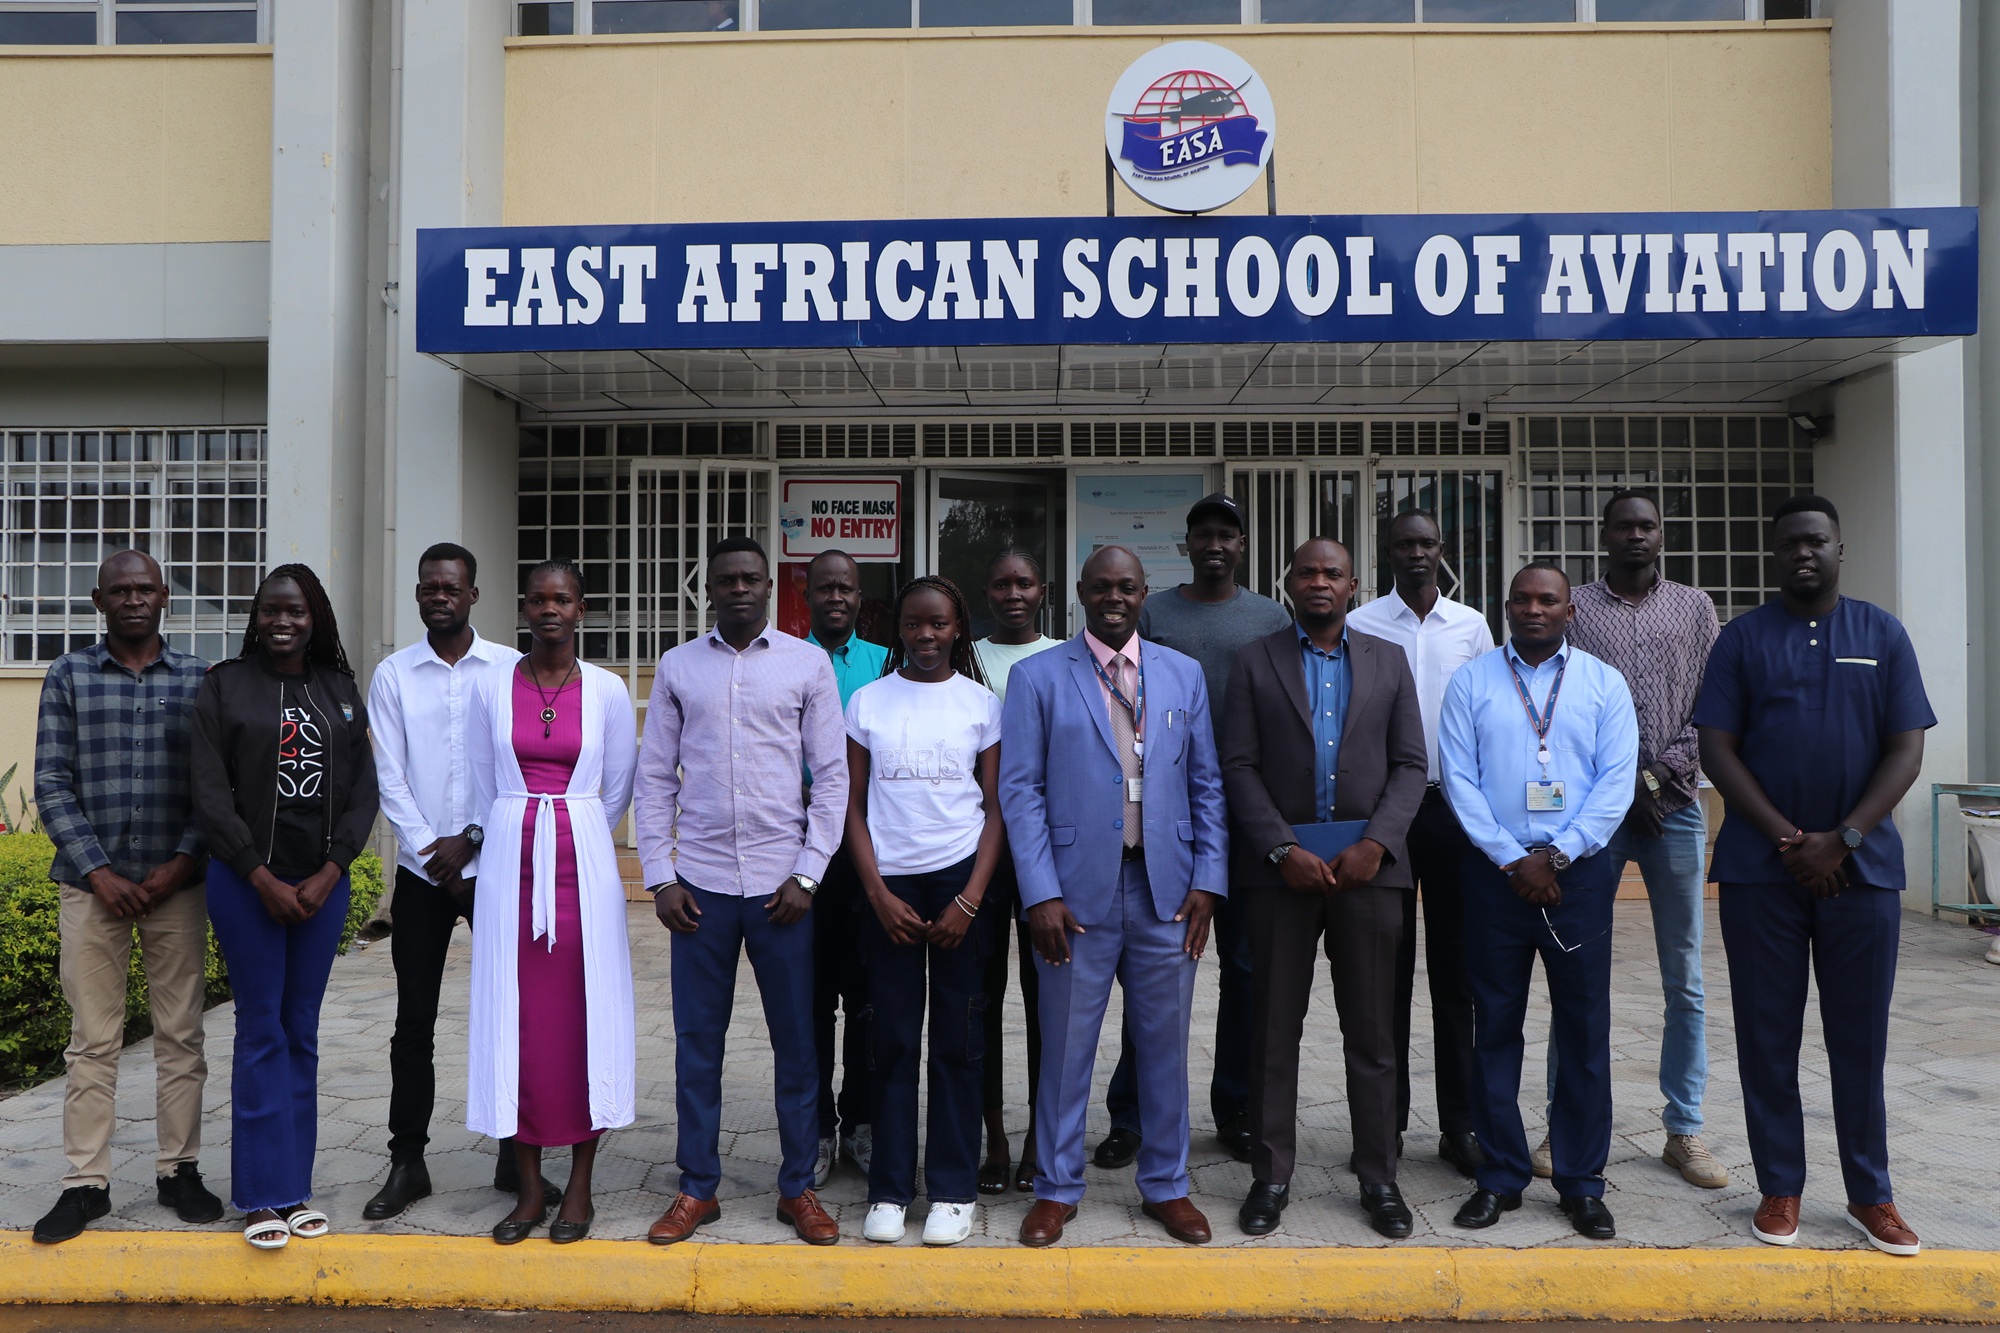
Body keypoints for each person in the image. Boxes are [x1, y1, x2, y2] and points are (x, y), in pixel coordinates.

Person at [1694, 495, 1933, 1256]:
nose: (1804, 552)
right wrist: (1793, 839)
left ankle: (1872, 1194)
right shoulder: (1741, 639)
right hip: (1762, 872)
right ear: (1774, 554)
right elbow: (1717, 749)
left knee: (1857, 1040)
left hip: (1863, 874)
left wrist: (1846, 838)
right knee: (1768, 1036)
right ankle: (1780, 1187)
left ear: (1840, 548)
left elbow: (1905, 749)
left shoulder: (1882, 634)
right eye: (1790, 542)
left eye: (1816, 541)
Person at [999, 545, 1228, 1248]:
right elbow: (1020, 790)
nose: (1115, 597)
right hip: (1073, 898)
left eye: (1126, 586)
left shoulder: (1181, 674)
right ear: (1079, 591)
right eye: (1101, 586)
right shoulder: (1037, 676)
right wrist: (1039, 892)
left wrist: (1208, 882)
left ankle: (1166, 1185)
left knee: (1165, 1048)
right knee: (1066, 1048)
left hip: (1166, 892)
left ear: (1143, 591)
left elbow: (1207, 784)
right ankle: (1056, 1187)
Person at [636, 537, 848, 1246]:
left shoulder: (806, 662)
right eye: (725, 578)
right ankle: (697, 1187)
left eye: (750, 578)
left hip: (780, 890)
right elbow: (655, 777)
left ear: (769, 586)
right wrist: (660, 878)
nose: (737, 588)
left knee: (797, 1044)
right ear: (710, 588)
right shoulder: (678, 666)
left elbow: (832, 778)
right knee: (698, 1044)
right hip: (698, 890)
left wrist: (809, 872)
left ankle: (797, 1187)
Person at [1220, 539, 1429, 1239]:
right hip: (1280, 874)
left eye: (1331, 572)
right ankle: (1271, 1173)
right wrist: (1282, 847)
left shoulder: (1388, 660)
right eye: (1305, 570)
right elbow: (1239, 766)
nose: (1318, 581)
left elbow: (1409, 765)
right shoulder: (1255, 660)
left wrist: (1377, 844)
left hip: (1372, 874)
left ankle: (1379, 1175)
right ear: (1288, 582)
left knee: (1372, 1033)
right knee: (1273, 1029)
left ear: (1354, 585)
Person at [1438, 563, 1636, 1241]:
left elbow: (1615, 782)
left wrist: (1556, 855)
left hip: (1575, 877)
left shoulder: (1604, 684)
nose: (1533, 608)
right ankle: (1499, 1175)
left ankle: (1582, 1182)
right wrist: (1510, 857)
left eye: (1546, 599)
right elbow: (1458, 777)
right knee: (1494, 1026)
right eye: (1521, 598)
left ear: (1569, 609)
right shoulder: (1472, 681)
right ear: (1505, 607)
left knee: (1582, 1032)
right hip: (1494, 876)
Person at [1096, 493, 1288, 1170]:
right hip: (1166, 820)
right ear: (1187, 544)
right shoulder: (1156, 613)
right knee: (1152, 971)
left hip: (1248, 815)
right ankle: (1132, 1114)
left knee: (1243, 969)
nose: (1215, 544)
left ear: (1241, 545)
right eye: (1203, 533)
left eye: (1227, 535)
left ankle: (1233, 1108)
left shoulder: (1269, 615)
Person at [31, 550, 219, 1245]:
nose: (134, 598)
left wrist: (180, 861)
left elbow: (214, 786)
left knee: (181, 1034)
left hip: (177, 887)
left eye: (145, 588)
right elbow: (50, 782)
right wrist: (99, 871)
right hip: (92, 890)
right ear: (97, 599)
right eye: (121, 590)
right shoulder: (68, 675)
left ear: (165, 595)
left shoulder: (201, 678)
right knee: (93, 1041)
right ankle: (86, 1183)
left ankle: (180, 1169)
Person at [363, 542, 554, 1221]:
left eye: (452, 586)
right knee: (413, 1020)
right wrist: (431, 850)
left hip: (496, 865)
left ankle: (515, 1155)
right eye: (428, 587)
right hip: (422, 875)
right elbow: (388, 771)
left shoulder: (510, 668)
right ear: (419, 595)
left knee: (513, 1013)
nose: (439, 595)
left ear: (474, 594)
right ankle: (407, 1160)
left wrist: (471, 838)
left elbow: (519, 764)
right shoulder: (393, 674)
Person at [190, 563, 379, 1249]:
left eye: (296, 611)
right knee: (260, 1028)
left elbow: (364, 791)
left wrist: (331, 871)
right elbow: (210, 795)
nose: (283, 622)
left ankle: (295, 1188)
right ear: (256, 614)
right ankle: (260, 1196)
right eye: (271, 609)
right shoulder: (224, 686)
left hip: (322, 889)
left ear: (315, 617)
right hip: (246, 888)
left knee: (301, 1028)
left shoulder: (339, 691)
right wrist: (260, 876)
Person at [1555, 491, 1726, 1189]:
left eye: (1647, 525)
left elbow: (1715, 701)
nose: (1636, 534)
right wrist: (1624, 786)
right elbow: (1559, 701)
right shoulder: (1576, 609)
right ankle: (1563, 1124)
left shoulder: (1694, 607)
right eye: (1623, 524)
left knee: (1683, 975)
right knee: (1574, 969)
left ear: (1662, 535)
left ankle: (1683, 1127)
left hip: (1677, 807)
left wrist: (1656, 779)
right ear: (1603, 534)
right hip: (1595, 812)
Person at [464, 559, 637, 1245]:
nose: (548, 609)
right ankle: (531, 1191)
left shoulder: (607, 689)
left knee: (583, 1019)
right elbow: (484, 778)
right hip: (512, 860)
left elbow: (616, 785)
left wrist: (572, 829)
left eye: (562, 598)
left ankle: (582, 1189)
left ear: (581, 608)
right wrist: (522, 829)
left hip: (582, 864)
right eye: (536, 598)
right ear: (523, 606)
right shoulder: (490, 687)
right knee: (520, 1022)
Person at [844, 576, 1005, 1246]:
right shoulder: (867, 701)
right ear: (899, 628)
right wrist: (877, 892)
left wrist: (971, 896)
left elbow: (998, 807)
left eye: (938, 624)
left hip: (963, 879)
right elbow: (850, 806)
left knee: (960, 1037)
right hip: (891, 885)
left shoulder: (982, 704)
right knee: (892, 1036)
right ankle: (888, 1186)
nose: (926, 636)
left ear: (958, 626)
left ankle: (952, 1188)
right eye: (913, 624)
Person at [1346, 508, 1495, 1179]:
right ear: (1387, 552)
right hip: (1384, 816)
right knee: (1386, 976)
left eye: (1426, 543)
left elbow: (1487, 710)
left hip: (1454, 812)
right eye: (1403, 543)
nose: (1415, 553)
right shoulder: (1361, 623)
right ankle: (1388, 1124)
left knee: (1457, 977)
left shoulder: (1471, 626)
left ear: (1443, 549)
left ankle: (1459, 1123)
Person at [971, 548, 1060, 1196]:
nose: (1012, 592)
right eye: (1000, 582)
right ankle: (993, 1137)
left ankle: (1040, 1135)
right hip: (976, 850)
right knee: (981, 1001)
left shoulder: (1065, 656)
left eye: (1024, 582)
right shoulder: (964, 657)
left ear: (1044, 590)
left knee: (1045, 1001)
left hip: (1049, 851)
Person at [802, 548, 887, 1187]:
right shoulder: (784, 660)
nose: (836, 597)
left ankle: (860, 1122)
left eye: (847, 588)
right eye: (826, 587)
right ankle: (816, 1131)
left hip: (867, 854)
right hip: (801, 852)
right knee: (808, 999)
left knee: (866, 999)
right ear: (807, 593)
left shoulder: (886, 664)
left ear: (860, 597)